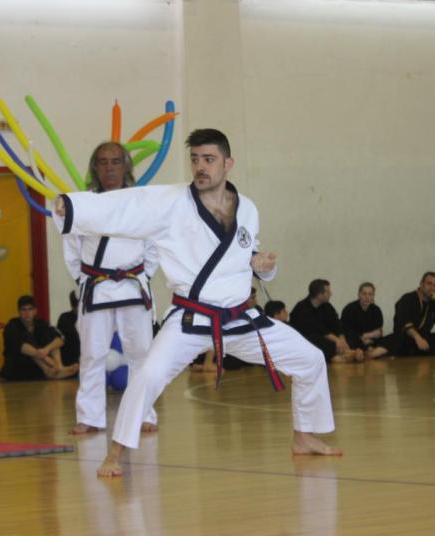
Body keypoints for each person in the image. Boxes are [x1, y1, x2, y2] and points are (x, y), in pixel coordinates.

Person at [54, 128, 340, 477]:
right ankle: (115, 452)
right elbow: (126, 205)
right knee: (147, 376)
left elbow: (246, 255)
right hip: (192, 317)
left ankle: (304, 436)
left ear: (228, 163)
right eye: (195, 160)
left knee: (310, 358)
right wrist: (72, 207)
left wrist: (263, 266)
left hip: (240, 316)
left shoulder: (247, 208)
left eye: (209, 159)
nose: (200, 167)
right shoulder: (171, 203)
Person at [65, 141, 160, 435]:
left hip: (132, 285)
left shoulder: (142, 203)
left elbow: (153, 245)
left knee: (141, 354)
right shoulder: (83, 204)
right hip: (96, 286)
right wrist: (85, 279)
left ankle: (143, 414)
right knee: (92, 354)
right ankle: (90, 417)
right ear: (95, 167)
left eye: (116, 161)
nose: (109, 168)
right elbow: (72, 248)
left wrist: (141, 275)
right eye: (103, 162)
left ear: (126, 166)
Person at [2, 295, 79, 381]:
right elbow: (20, 346)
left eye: (30, 309)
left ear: (35, 311)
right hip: (18, 367)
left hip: (37, 367)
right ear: (19, 312)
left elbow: (60, 340)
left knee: (52, 340)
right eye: (23, 309)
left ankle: (59, 367)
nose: (27, 313)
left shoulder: (40, 324)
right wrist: (45, 357)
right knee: (30, 347)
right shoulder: (12, 325)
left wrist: (46, 349)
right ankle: (49, 371)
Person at [290, 279, 364, 363]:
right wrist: (337, 341)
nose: (331, 294)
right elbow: (318, 330)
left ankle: (348, 353)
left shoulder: (327, 306)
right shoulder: (302, 308)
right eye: (328, 292)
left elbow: (336, 324)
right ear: (319, 295)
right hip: (307, 339)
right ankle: (343, 355)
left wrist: (342, 338)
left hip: (328, 337)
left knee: (350, 333)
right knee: (316, 340)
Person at [393, 272, 435, 356]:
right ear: (421, 283)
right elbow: (405, 323)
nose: (432, 288)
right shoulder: (407, 298)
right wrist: (417, 338)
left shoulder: (433, 303)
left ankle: (427, 352)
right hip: (408, 339)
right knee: (403, 342)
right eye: (429, 284)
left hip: (425, 339)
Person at [341, 282, 391, 359]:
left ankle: (370, 352)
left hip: (371, 341)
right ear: (359, 295)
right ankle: (369, 352)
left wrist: (366, 336)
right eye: (364, 294)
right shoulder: (349, 309)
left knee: (393, 338)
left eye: (370, 294)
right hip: (355, 341)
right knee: (351, 339)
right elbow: (346, 331)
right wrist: (362, 339)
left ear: (373, 296)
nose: (367, 297)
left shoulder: (376, 310)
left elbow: (378, 332)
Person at [56, 291, 81, 367]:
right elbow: (73, 337)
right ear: (73, 306)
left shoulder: (91, 319)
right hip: (70, 359)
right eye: (77, 306)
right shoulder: (65, 318)